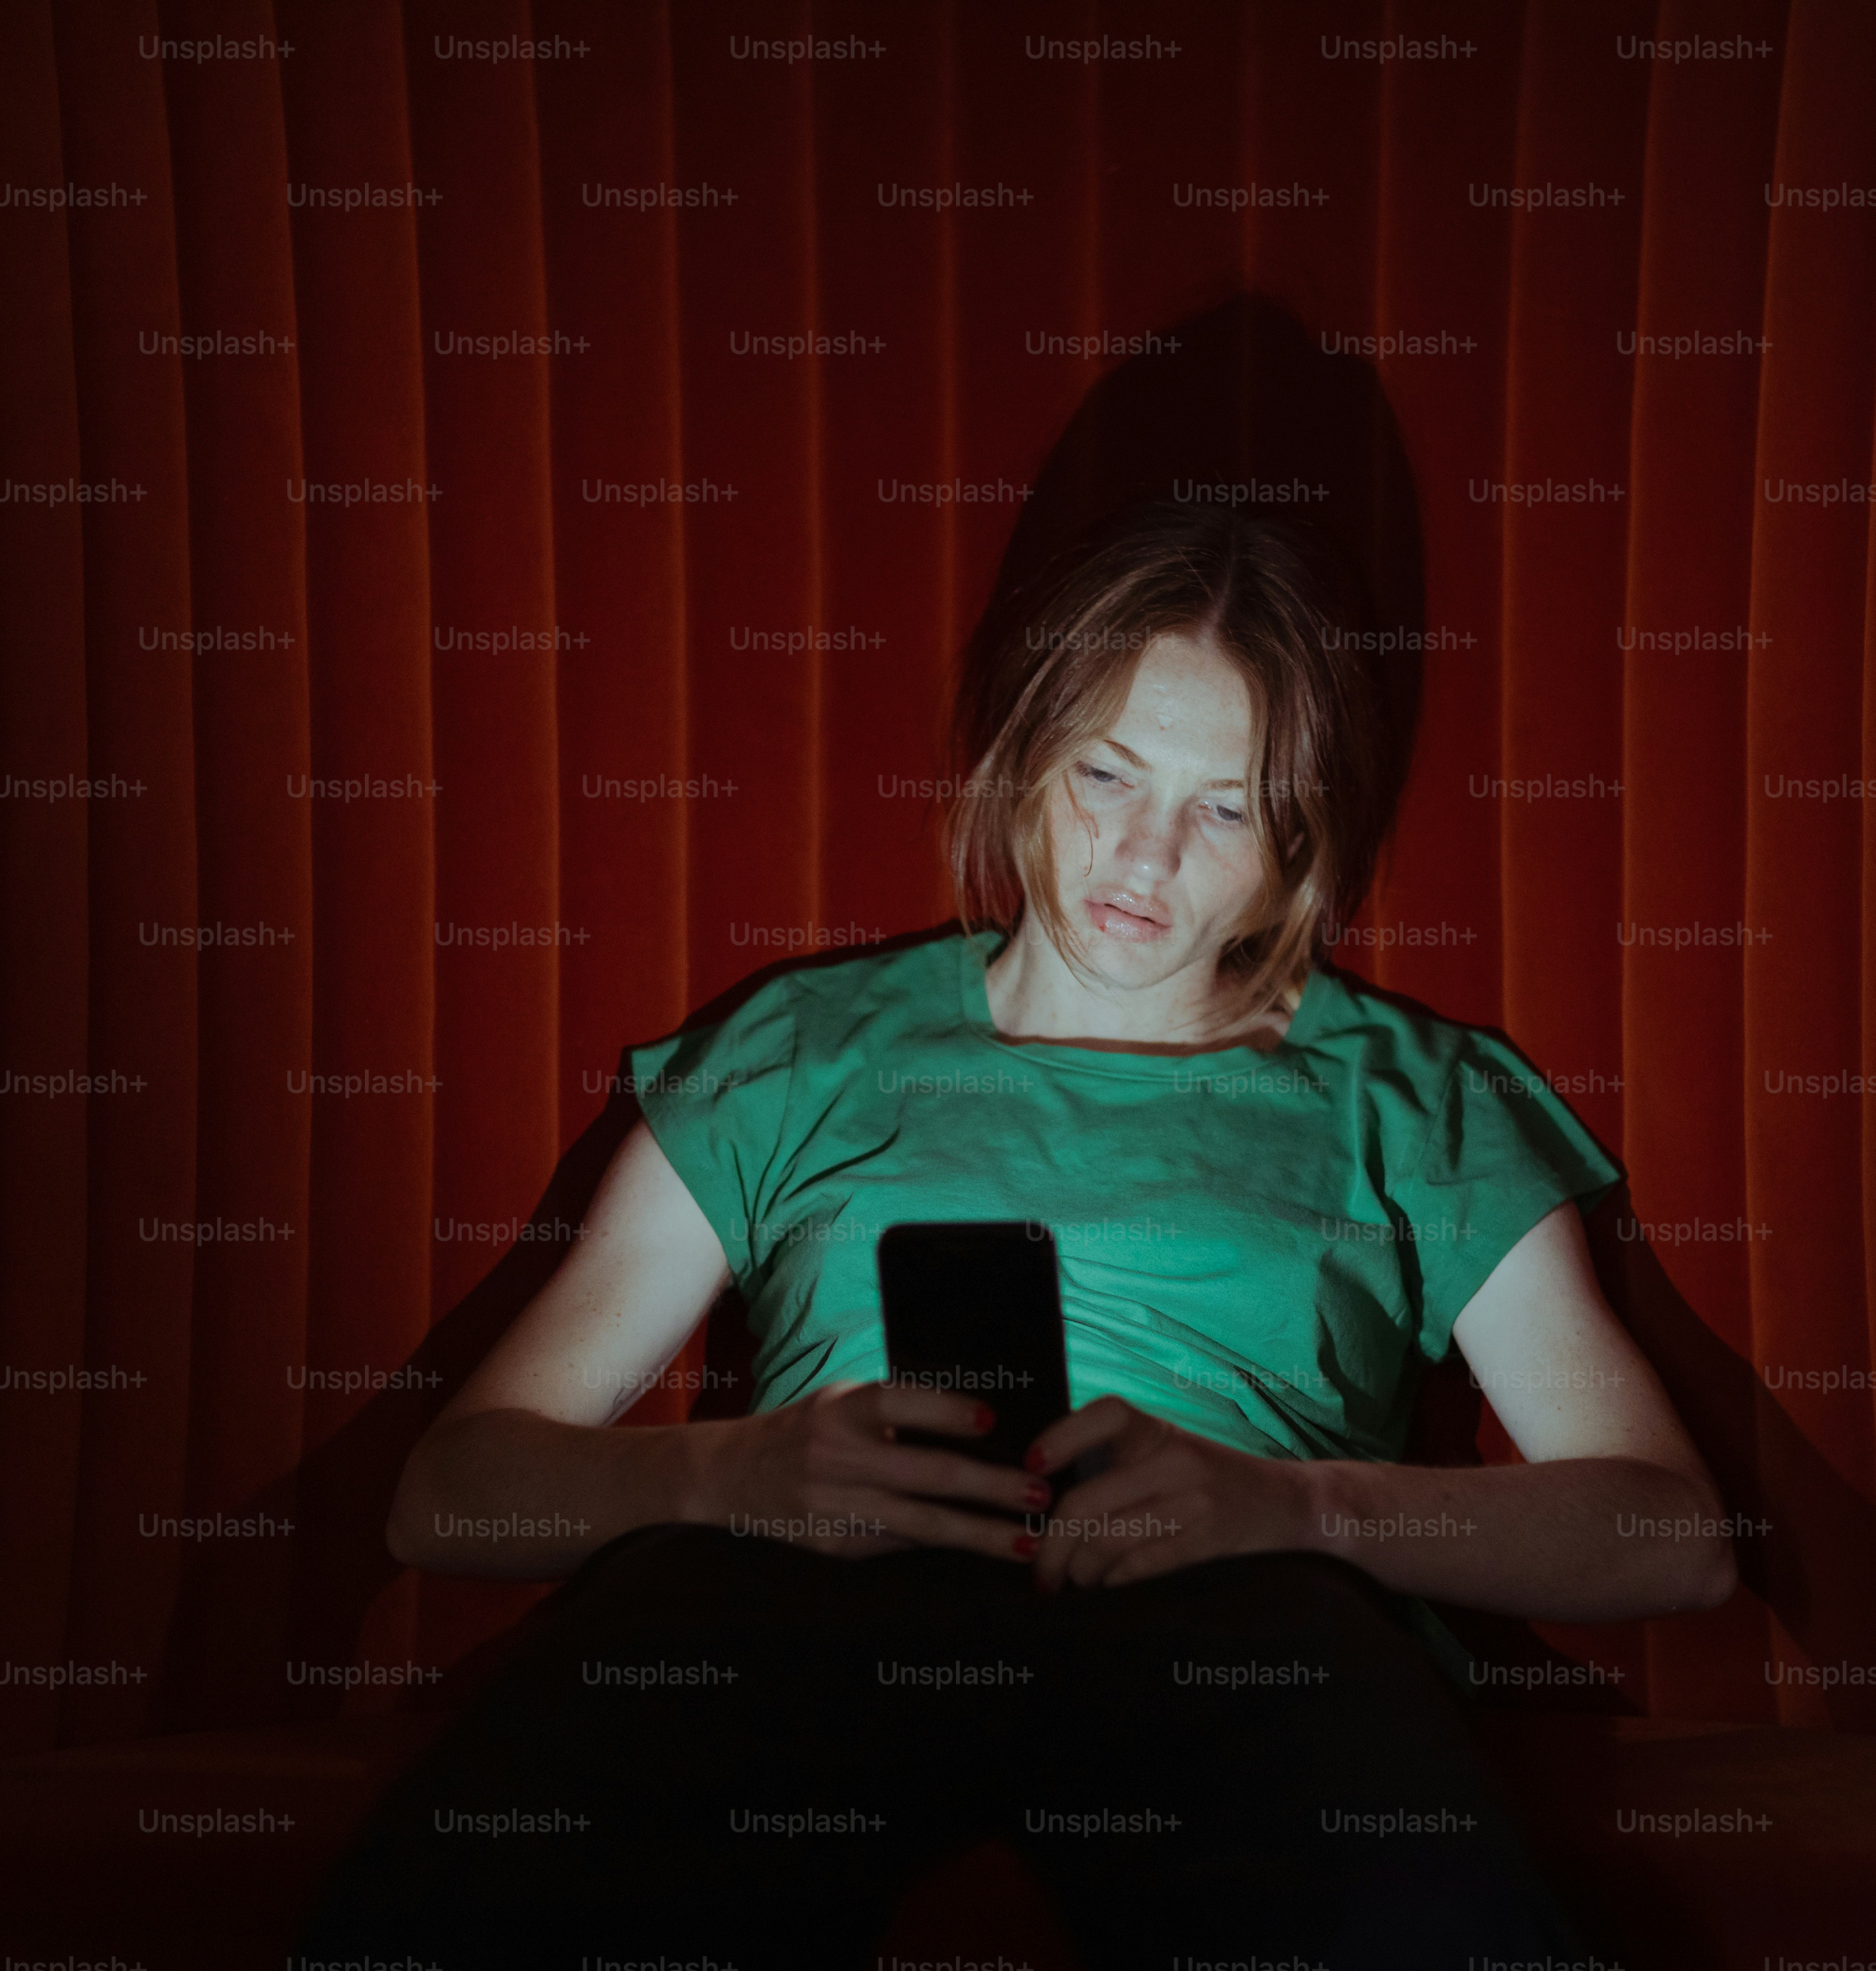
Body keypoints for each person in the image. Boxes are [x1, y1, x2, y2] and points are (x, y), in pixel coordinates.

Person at [297, 499, 1736, 1969]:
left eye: (1225, 806)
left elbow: (1671, 1533)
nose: (1143, 854)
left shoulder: (1415, 1098)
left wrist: (1301, 1509)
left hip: (1233, 1604)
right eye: (1107, 773)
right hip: (800, 1587)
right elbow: (452, 1496)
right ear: (1027, 754)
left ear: (1303, 835)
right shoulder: (802, 1049)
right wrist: (723, 1468)